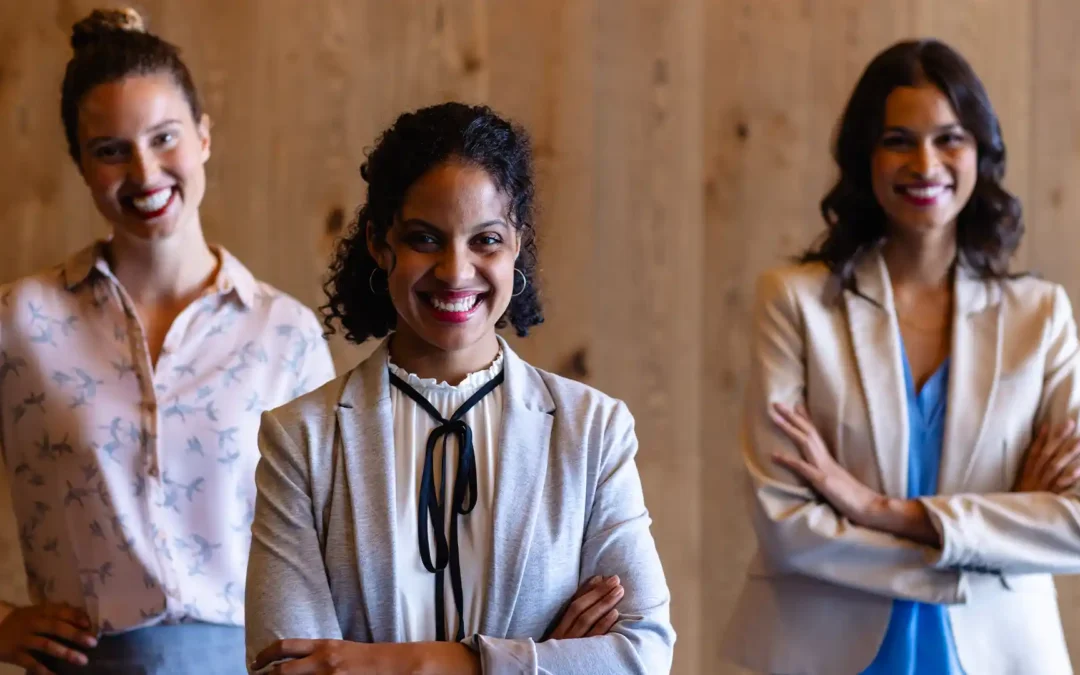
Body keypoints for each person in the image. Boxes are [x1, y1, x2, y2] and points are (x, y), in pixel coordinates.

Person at [245, 102, 674, 675]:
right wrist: (544, 657)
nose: (455, 271)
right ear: (379, 243)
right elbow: (288, 669)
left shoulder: (593, 431)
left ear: (517, 242)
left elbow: (641, 655)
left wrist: (403, 664)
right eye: (425, 238)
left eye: (486, 240)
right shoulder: (300, 438)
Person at [721, 38, 1080, 675]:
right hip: (816, 651)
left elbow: (1074, 525)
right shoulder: (796, 302)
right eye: (897, 140)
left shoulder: (1042, 315)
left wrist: (872, 509)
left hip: (1001, 654)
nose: (925, 162)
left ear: (980, 152)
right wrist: (990, 537)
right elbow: (786, 525)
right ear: (866, 156)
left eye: (949, 138)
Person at [0, 8, 335, 673]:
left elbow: (340, 553)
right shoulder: (20, 321)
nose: (145, 171)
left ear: (204, 137)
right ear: (81, 165)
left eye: (164, 137)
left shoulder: (286, 334)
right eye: (110, 149)